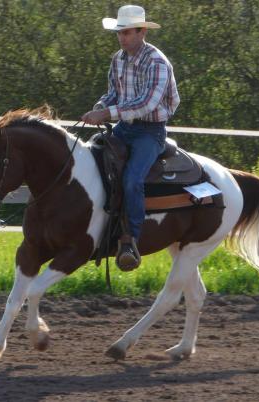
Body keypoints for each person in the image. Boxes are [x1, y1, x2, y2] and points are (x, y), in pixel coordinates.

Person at [81, 5, 180, 270]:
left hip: (150, 132)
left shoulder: (157, 62)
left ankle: (131, 238)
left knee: (133, 179)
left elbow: (147, 103)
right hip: (125, 128)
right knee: (91, 163)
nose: (122, 38)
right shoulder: (118, 59)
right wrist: (100, 107)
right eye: (119, 33)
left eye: (126, 33)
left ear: (142, 32)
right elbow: (113, 92)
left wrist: (107, 114)